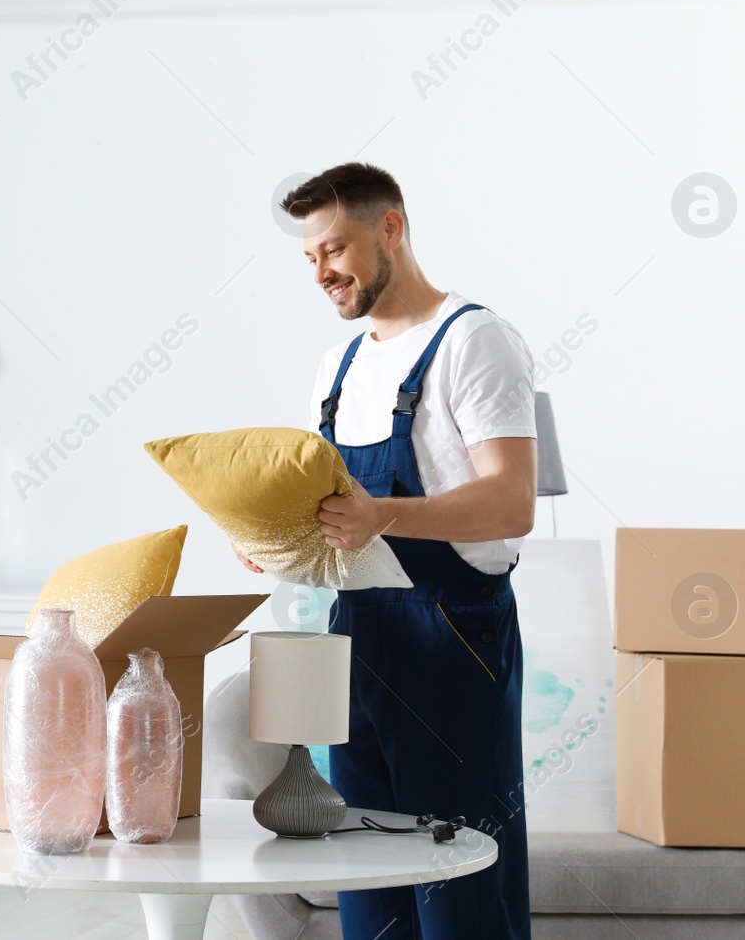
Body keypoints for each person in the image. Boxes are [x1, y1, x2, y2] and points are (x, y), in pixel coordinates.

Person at [241, 163, 537, 938]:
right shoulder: (336, 371)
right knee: (366, 882)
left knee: (462, 887)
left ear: (391, 229)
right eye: (309, 258)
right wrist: (274, 542)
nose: (322, 273)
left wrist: (384, 515)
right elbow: (336, 522)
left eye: (334, 248)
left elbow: (513, 500)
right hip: (359, 648)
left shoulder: (475, 340)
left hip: (455, 650)